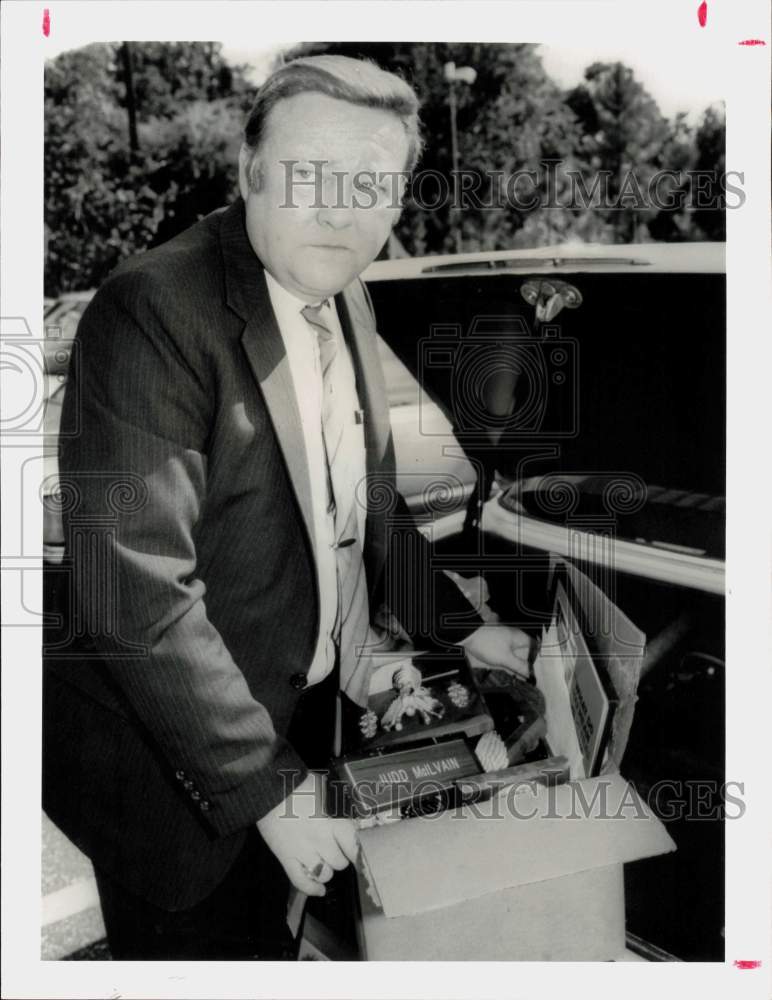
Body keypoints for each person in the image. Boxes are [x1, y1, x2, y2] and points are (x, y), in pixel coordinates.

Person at [43, 55, 531, 960]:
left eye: (372, 184)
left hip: (294, 719)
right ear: (248, 171)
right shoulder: (152, 308)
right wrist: (268, 790)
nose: (342, 209)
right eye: (311, 175)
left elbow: (368, 503)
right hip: (174, 767)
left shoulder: (343, 293)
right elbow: (136, 588)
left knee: (281, 942)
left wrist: (455, 630)